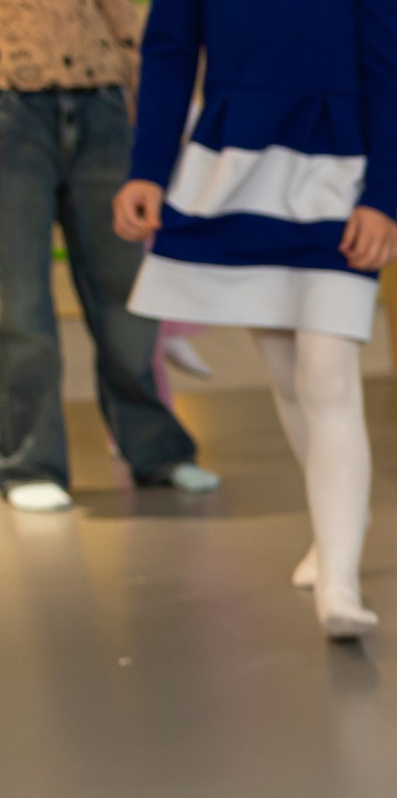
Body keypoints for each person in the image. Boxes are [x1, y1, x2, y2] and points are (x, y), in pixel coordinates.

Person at [113, 0, 397, 638]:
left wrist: (384, 196)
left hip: (339, 173)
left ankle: (341, 581)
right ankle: (339, 522)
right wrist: (147, 169)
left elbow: (389, 66)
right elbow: (168, 53)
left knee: (327, 372)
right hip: (238, 169)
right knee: (288, 376)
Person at [1, 0, 219, 514]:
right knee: (19, 303)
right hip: (10, 105)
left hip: (102, 104)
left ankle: (155, 449)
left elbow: (124, 16)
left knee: (127, 291)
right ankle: (30, 462)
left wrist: (154, 111)